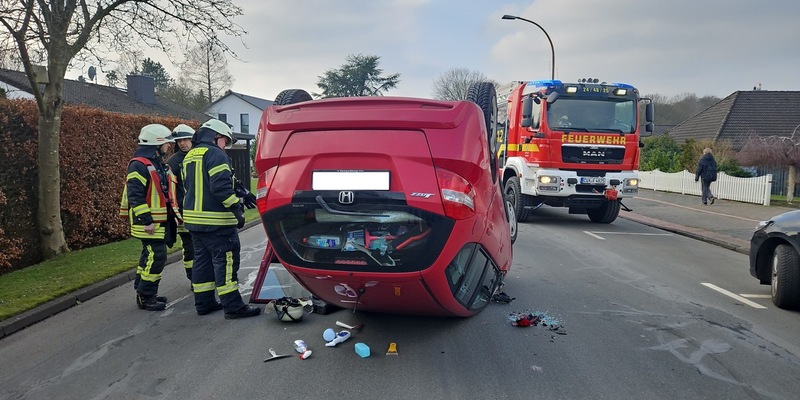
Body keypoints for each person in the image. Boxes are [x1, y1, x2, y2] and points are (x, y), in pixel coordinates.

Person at [182, 118, 261, 319]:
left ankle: (204, 303)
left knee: (202, 262)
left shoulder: (191, 155)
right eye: (225, 140)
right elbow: (220, 187)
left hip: (194, 221)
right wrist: (236, 208)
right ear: (216, 136)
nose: (225, 146)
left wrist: (243, 193)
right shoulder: (216, 154)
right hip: (217, 222)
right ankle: (233, 307)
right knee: (225, 262)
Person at [119, 124, 181, 311]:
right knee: (157, 257)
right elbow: (135, 195)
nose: (169, 146)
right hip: (148, 223)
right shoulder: (139, 165)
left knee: (149, 255)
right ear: (156, 143)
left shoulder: (156, 164)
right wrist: (147, 220)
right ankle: (147, 296)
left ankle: (143, 291)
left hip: (157, 222)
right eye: (166, 143)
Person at [166, 124, 195, 284]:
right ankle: (193, 278)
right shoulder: (173, 162)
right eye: (179, 141)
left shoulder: (200, 156)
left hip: (200, 211)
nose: (182, 143)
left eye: (186, 139)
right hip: (183, 212)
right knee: (189, 247)